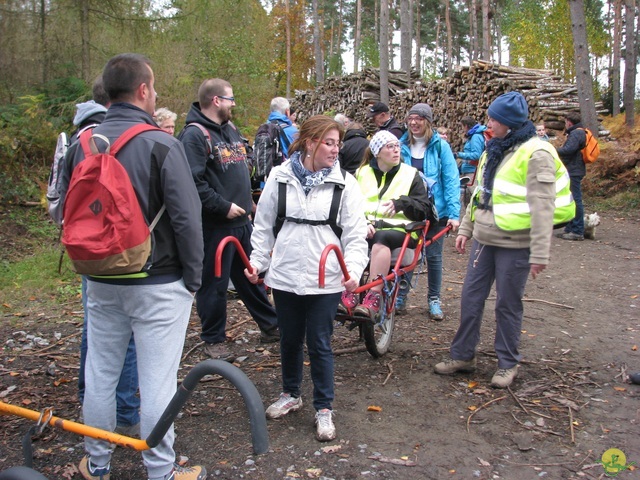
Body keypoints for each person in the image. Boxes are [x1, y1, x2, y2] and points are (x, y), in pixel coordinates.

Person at [57, 53, 206, 480]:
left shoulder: (81, 144)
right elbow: (186, 219)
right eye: (154, 88)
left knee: (100, 371)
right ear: (143, 90)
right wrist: (192, 280)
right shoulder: (161, 143)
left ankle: (97, 464)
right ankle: (160, 471)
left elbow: (68, 211)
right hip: (157, 279)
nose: (155, 94)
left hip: (99, 276)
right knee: (158, 380)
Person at [434, 91, 574, 389]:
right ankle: (463, 356)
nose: (489, 123)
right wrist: (465, 230)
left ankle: (507, 363)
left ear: (508, 122)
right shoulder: (492, 148)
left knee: (507, 305)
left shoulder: (537, 153)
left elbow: (542, 205)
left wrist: (539, 252)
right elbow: (479, 195)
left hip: (516, 243)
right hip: (484, 239)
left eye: (493, 118)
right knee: (470, 298)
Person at [245, 115, 368, 441]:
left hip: (326, 278)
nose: (335, 150)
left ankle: (324, 408)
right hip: (285, 276)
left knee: (319, 341)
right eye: (329, 143)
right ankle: (291, 393)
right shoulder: (279, 177)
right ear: (310, 142)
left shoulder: (346, 183)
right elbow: (263, 227)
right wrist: (258, 263)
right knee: (288, 338)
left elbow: (356, 236)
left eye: (337, 143)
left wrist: (353, 271)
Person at [179, 78, 279, 361]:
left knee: (252, 277)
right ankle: (213, 339)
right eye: (231, 99)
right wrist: (222, 207)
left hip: (241, 222)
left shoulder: (230, 130)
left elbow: (236, 171)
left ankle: (271, 326)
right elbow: (192, 182)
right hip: (214, 227)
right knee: (214, 285)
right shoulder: (194, 136)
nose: (233, 104)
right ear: (216, 101)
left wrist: (250, 202)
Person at [69, 77, 141, 438]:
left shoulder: (72, 142)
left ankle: (92, 417)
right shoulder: (143, 139)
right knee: (127, 338)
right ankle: (127, 414)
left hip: (88, 257)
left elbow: (57, 202)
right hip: (131, 256)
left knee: (96, 339)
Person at [339, 130, 431, 317]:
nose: (396, 150)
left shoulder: (411, 174)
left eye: (398, 146)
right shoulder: (361, 173)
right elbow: (347, 205)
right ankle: (348, 289)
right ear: (377, 152)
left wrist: (402, 203)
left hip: (402, 232)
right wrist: (362, 222)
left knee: (382, 236)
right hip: (366, 228)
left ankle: (373, 296)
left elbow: (424, 208)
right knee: (343, 235)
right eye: (390, 147)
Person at [396, 103, 460, 320]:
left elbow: (451, 180)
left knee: (433, 257)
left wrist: (453, 213)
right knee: (407, 254)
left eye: (419, 118)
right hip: (411, 210)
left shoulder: (440, 147)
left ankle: (434, 299)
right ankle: (401, 297)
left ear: (428, 121)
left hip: (436, 212)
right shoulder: (401, 145)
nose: (414, 122)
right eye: (410, 118)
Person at [555, 112, 586, 241]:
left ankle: (578, 230)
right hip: (573, 169)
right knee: (571, 198)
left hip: (574, 170)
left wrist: (553, 149)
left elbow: (569, 150)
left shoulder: (577, 133)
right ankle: (570, 228)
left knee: (575, 199)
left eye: (566, 122)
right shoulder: (577, 132)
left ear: (569, 122)